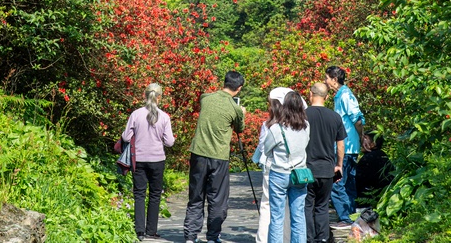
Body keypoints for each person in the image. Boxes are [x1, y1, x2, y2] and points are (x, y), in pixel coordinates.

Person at [183, 71, 246, 243]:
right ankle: (212, 237)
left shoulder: (206, 98)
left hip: (198, 153)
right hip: (219, 157)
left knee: (196, 196)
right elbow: (240, 128)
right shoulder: (234, 108)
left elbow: (204, 99)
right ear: (239, 89)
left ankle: (190, 236)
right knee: (217, 199)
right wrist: (242, 112)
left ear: (224, 82)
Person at [121, 83, 175, 242]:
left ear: (144, 96)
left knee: (139, 194)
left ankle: (139, 231)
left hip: (139, 159)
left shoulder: (136, 114)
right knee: (155, 194)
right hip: (157, 160)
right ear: (160, 98)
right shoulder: (164, 117)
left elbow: (125, 137)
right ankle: (151, 230)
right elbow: (170, 142)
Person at [256, 90, 310, 243]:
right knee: (298, 215)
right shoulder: (306, 125)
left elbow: (266, 149)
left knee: (277, 217)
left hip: (279, 173)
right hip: (300, 174)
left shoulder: (276, 128)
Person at [304, 82, 346, 243]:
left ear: (310, 94)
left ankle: (308, 238)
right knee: (322, 206)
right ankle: (322, 238)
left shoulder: (303, 115)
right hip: (327, 169)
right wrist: (339, 165)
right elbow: (340, 144)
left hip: (307, 168)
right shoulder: (335, 117)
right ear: (327, 97)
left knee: (307, 206)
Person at [325, 66, 365, 229]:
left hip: (346, 146)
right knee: (347, 183)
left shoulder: (345, 95)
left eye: (327, 77)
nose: (325, 81)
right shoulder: (340, 95)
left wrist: (361, 136)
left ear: (334, 79)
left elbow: (357, 118)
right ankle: (350, 216)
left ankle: (346, 218)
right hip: (349, 146)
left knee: (337, 181)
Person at [355, 132, 394, 198]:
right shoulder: (382, 154)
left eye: (365, 138)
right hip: (381, 195)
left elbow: (358, 180)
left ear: (373, 144)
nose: (361, 141)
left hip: (368, 197)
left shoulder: (369, 158)